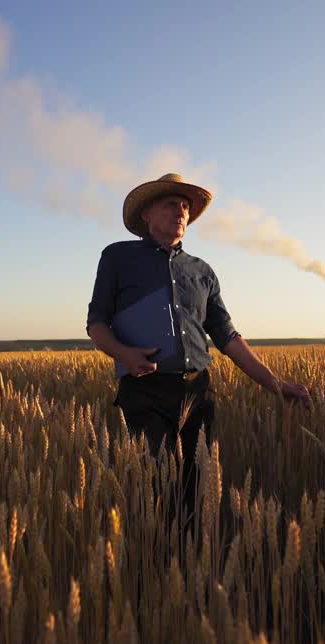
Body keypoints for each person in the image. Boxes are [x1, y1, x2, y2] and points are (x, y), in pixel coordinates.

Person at [86, 173, 311, 530]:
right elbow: (96, 323)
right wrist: (123, 354)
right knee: (156, 486)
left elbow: (228, 336)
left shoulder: (202, 272)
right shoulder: (117, 257)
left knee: (197, 489)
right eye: (170, 204)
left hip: (198, 391)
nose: (180, 211)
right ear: (147, 215)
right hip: (145, 390)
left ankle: (191, 567)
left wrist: (276, 384)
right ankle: (154, 567)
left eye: (186, 207)